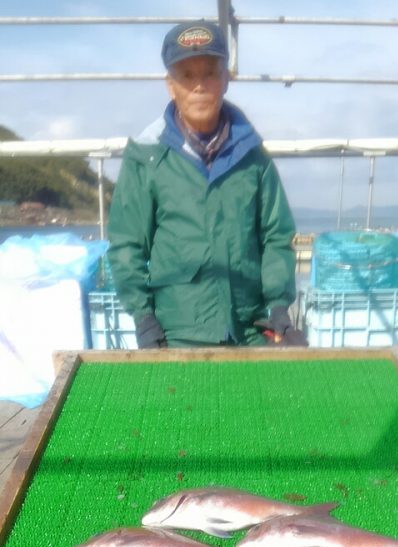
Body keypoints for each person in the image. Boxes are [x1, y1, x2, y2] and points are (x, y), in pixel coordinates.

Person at [107, 19, 307, 348]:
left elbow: (276, 237)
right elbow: (126, 246)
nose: (199, 85)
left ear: (226, 79)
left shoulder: (254, 157)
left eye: (210, 73)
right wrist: (144, 317)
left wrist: (279, 309)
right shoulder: (146, 158)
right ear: (171, 85)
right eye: (186, 75)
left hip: (250, 330)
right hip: (176, 334)